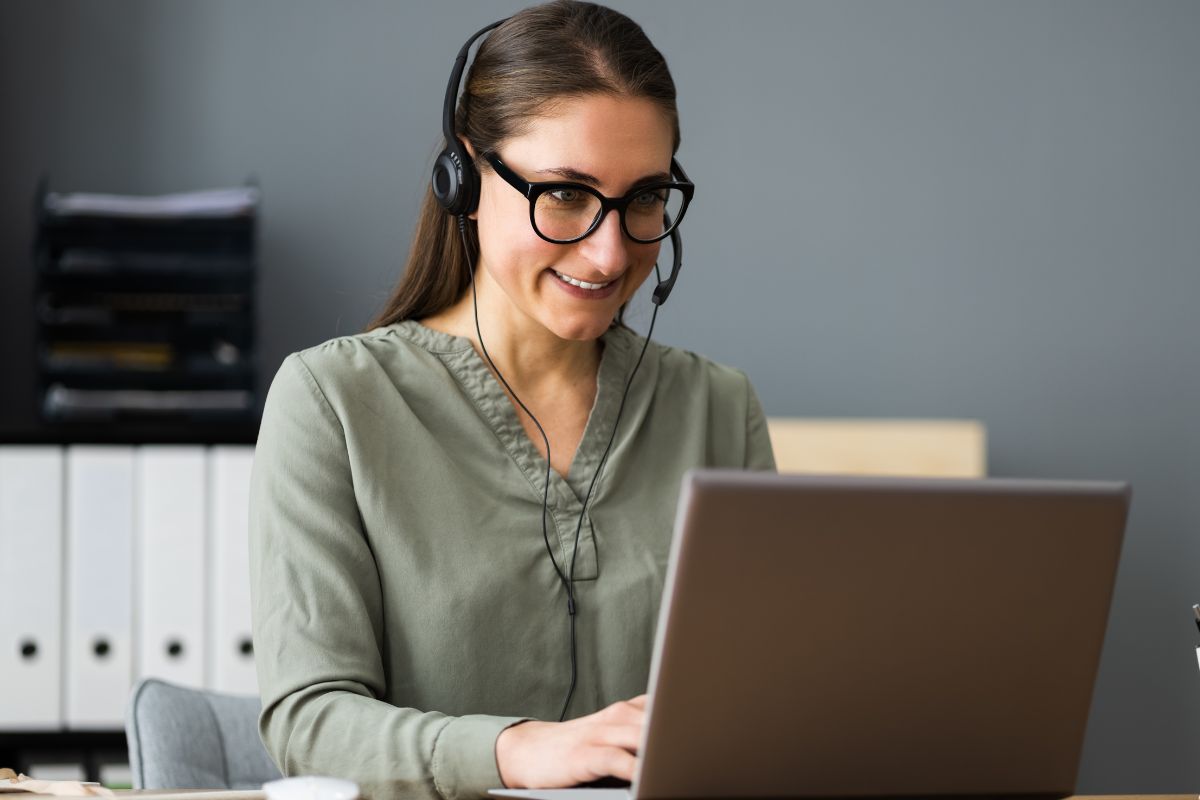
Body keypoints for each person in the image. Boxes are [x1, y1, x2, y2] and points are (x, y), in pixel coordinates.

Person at [248, 3, 775, 800]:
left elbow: (765, 705)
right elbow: (309, 721)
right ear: (464, 177)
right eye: (565, 193)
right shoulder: (334, 402)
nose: (609, 251)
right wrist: (518, 751)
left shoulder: (719, 408)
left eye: (644, 198)